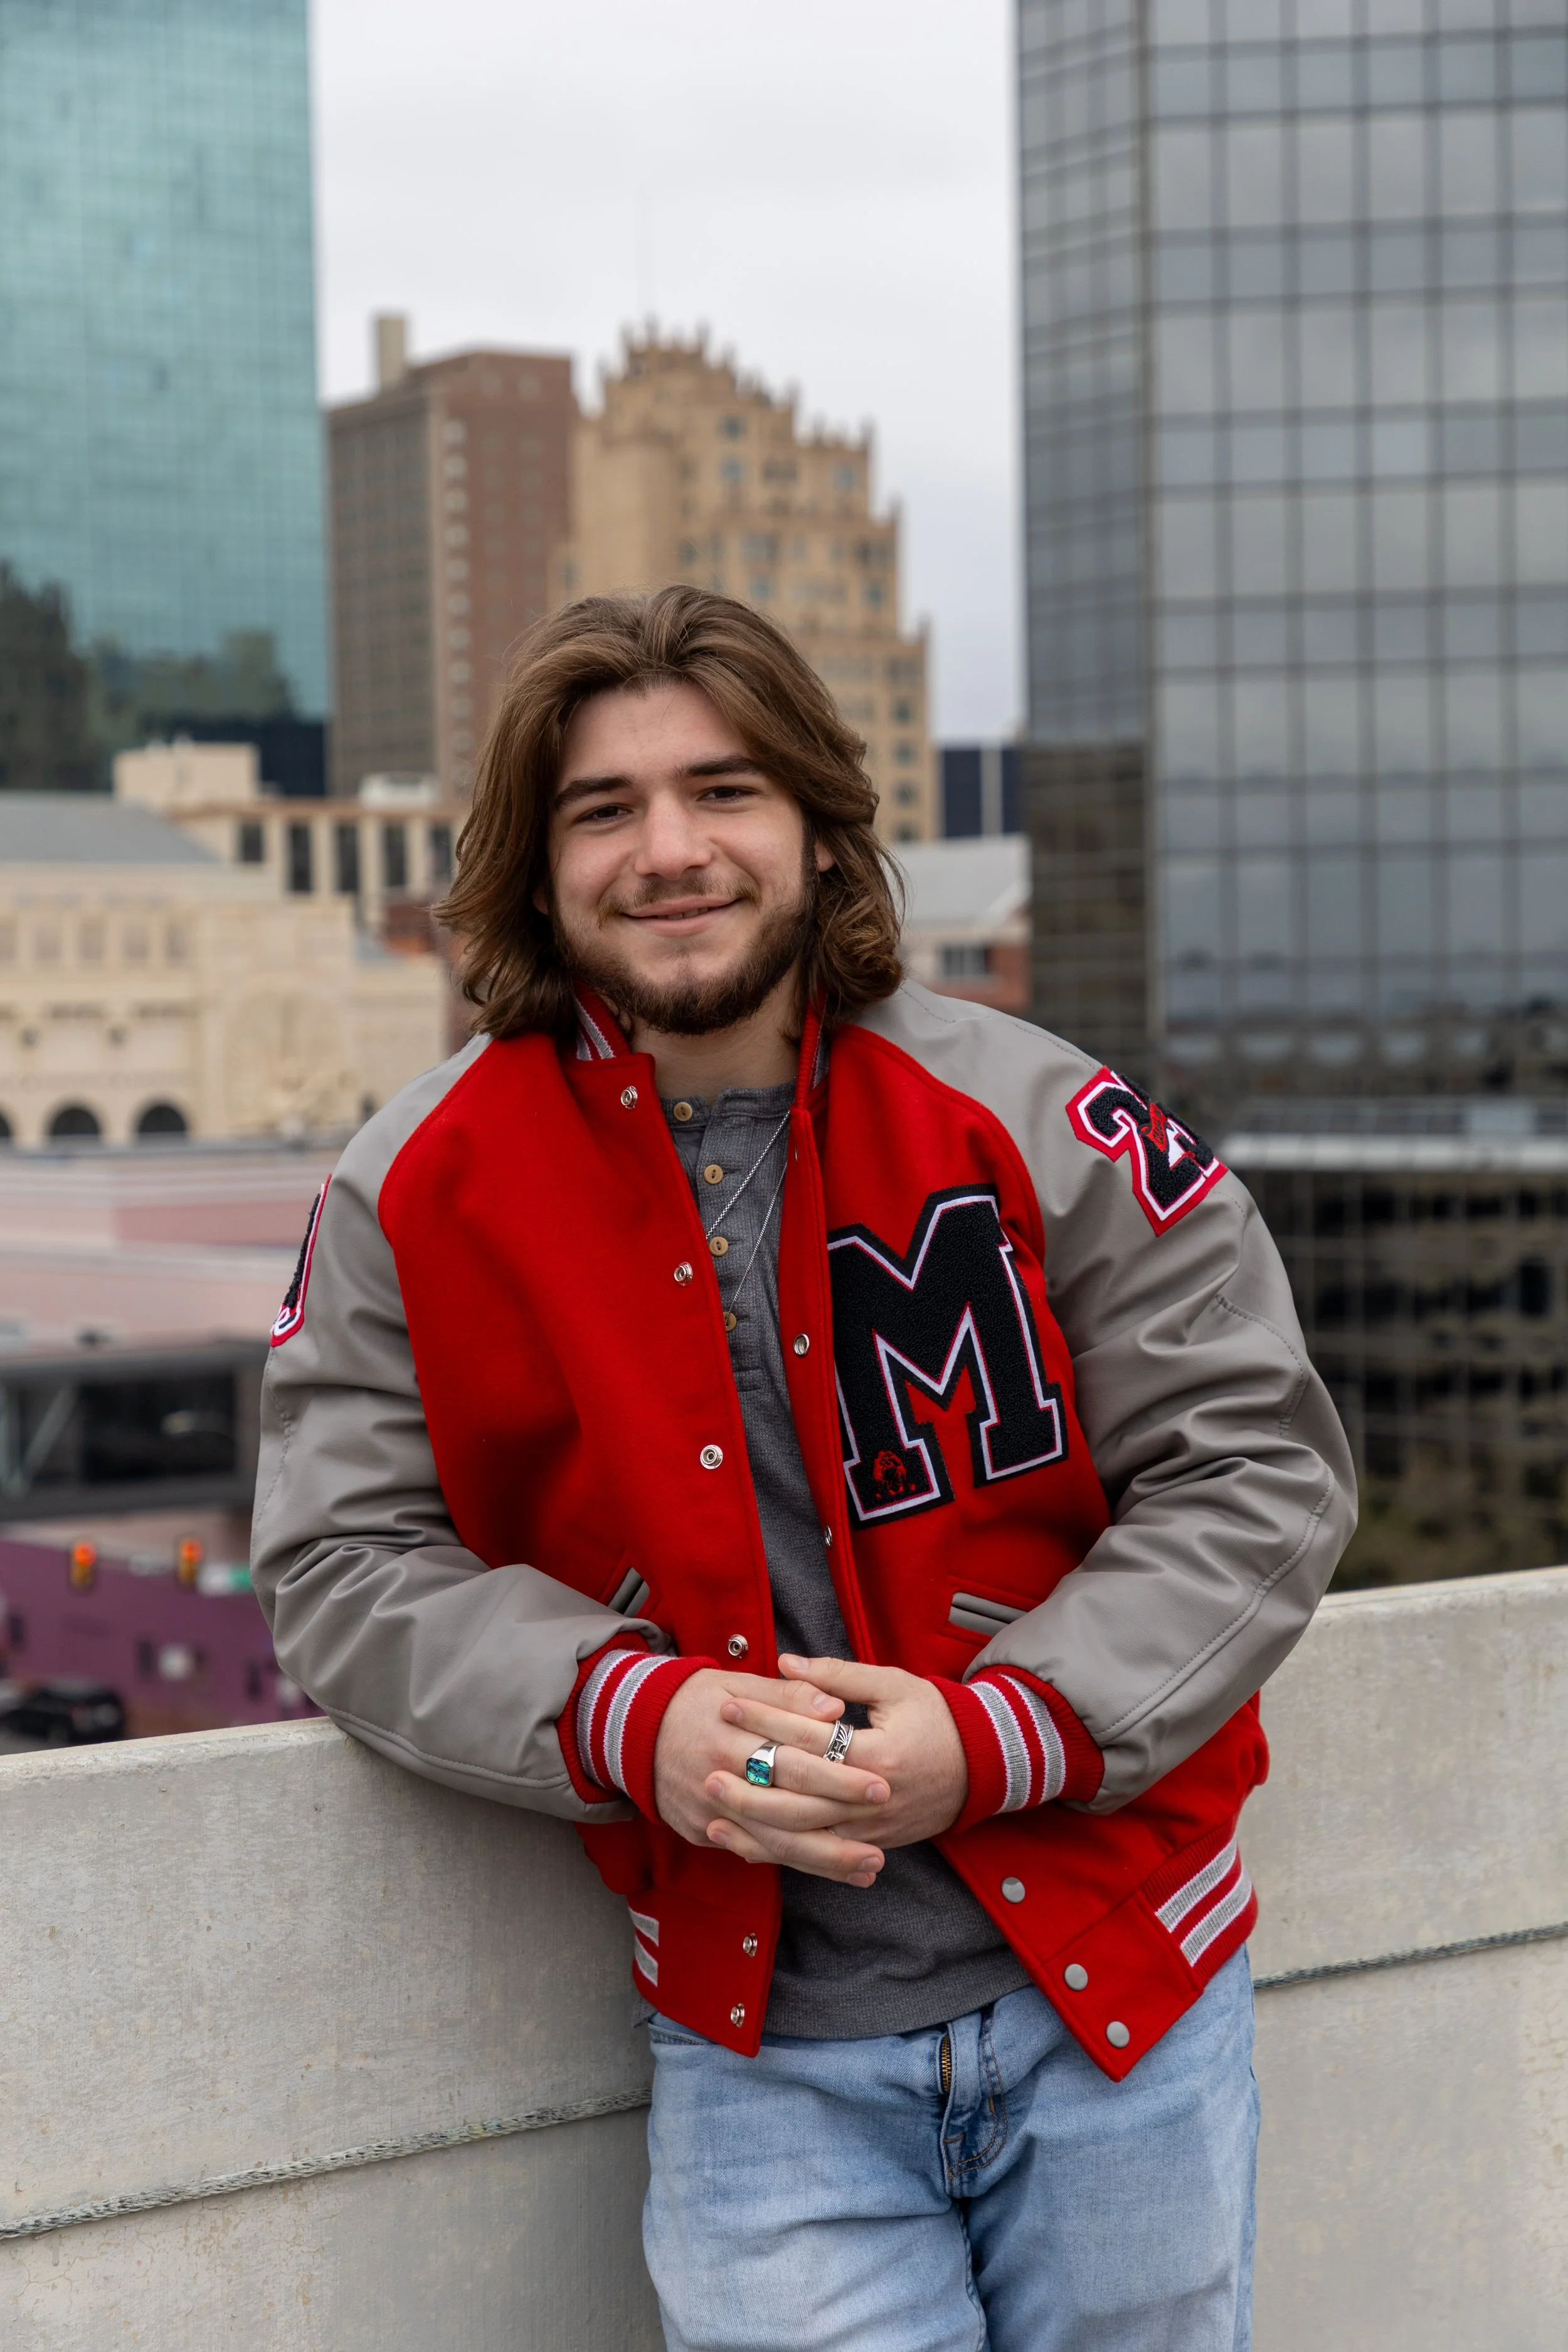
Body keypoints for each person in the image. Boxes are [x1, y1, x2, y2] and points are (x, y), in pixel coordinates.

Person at [252, 586, 1355, 2352]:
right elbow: (337, 1560)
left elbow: (1257, 1468)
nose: (668, 849)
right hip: (756, 2043)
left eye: (724, 791)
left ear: (822, 833)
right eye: (602, 809)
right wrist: (624, 1714)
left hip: (1121, 1984)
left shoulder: (1037, 1111)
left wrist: (1001, 1730)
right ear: (532, 871)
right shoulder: (417, 1184)